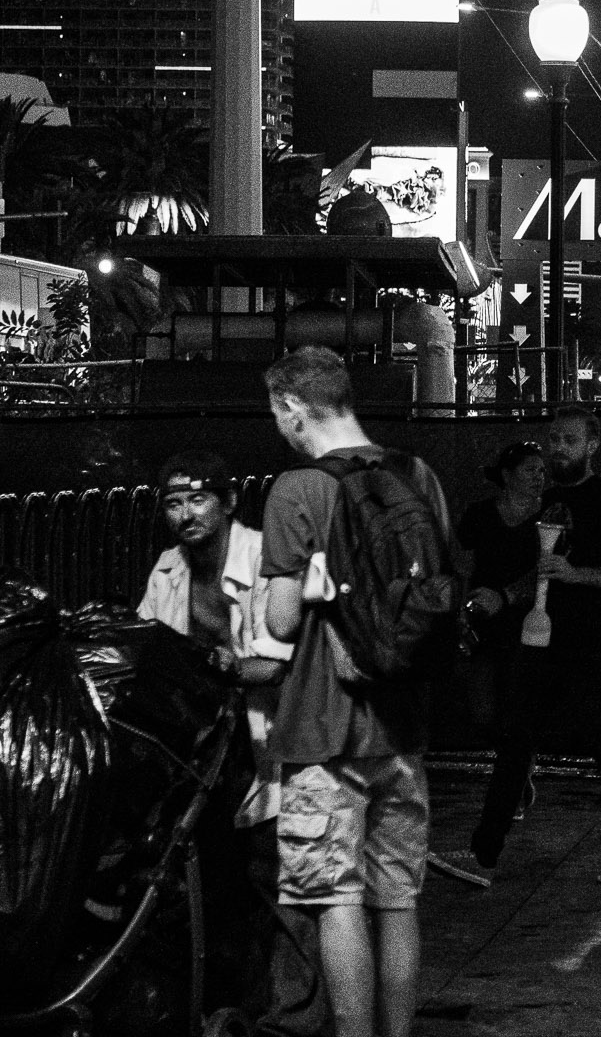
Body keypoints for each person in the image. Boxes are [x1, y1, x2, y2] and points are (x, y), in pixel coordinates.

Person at [258, 348, 451, 1037]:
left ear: (293, 407)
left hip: (323, 726)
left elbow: (279, 622)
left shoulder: (296, 489)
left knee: (335, 896)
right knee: (397, 898)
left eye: (277, 413)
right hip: (404, 722)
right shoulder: (419, 475)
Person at [139, 452, 322, 1037]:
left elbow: (280, 662)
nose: (186, 514)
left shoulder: (267, 557)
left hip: (266, 739)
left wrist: (227, 664)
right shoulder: (168, 570)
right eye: (173, 502)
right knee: (211, 885)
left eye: (197, 499)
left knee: (277, 885)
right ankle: (220, 1006)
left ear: (226, 502)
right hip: (201, 751)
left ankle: (290, 1019)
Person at [461, 408, 601, 888]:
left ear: (592, 445)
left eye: (568, 440)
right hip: (544, 640)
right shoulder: (549, 501)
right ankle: (483, 856)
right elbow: (543, 572)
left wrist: (576, 576)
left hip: (589, 643)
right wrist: (506, 595)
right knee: (516, 740)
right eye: (552, 438)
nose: (557, 448)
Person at [449, 442, 544, 809]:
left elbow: (548, 570)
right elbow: (462, 565)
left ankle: (517, 776)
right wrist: (461, 609)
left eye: (541, 471)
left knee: (519, 705)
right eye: (530, 470)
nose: (538, 477)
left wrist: (507, 595)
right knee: (483, 710)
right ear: (507, 475)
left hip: (530, 623)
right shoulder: (480, 515)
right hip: (484, 624)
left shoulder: (548, 516)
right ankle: (514, 764)